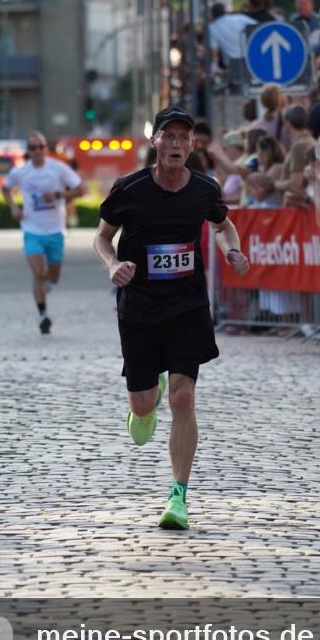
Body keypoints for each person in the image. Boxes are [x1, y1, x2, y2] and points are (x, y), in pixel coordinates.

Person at [93, 107, 249, 531]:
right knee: (143, 405)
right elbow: (102, 238)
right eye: (170, 136)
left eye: (185, 138)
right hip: (140, 308)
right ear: (155, 142)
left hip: (187, 305)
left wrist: (231, 249)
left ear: (192, 145)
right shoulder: (129, 189)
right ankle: (148, 395)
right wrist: (112, 266)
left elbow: (224, 226)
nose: (177, 144)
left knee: (185, 398)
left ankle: (178, 494)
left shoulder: (203, 189)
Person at [2, 131, 82, 334]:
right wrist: (13, 208)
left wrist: (57, 195)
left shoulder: (58, 168)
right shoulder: (20, 172)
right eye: (33, 148)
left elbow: (81, 189)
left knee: (52, 278)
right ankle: (43, 316)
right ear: (27, 151)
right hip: (32, 230)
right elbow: (5, 188)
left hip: (55, 230)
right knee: (38, 273)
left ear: (45, 149)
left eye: (40, 147)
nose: (37, 151)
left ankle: (46, 283)